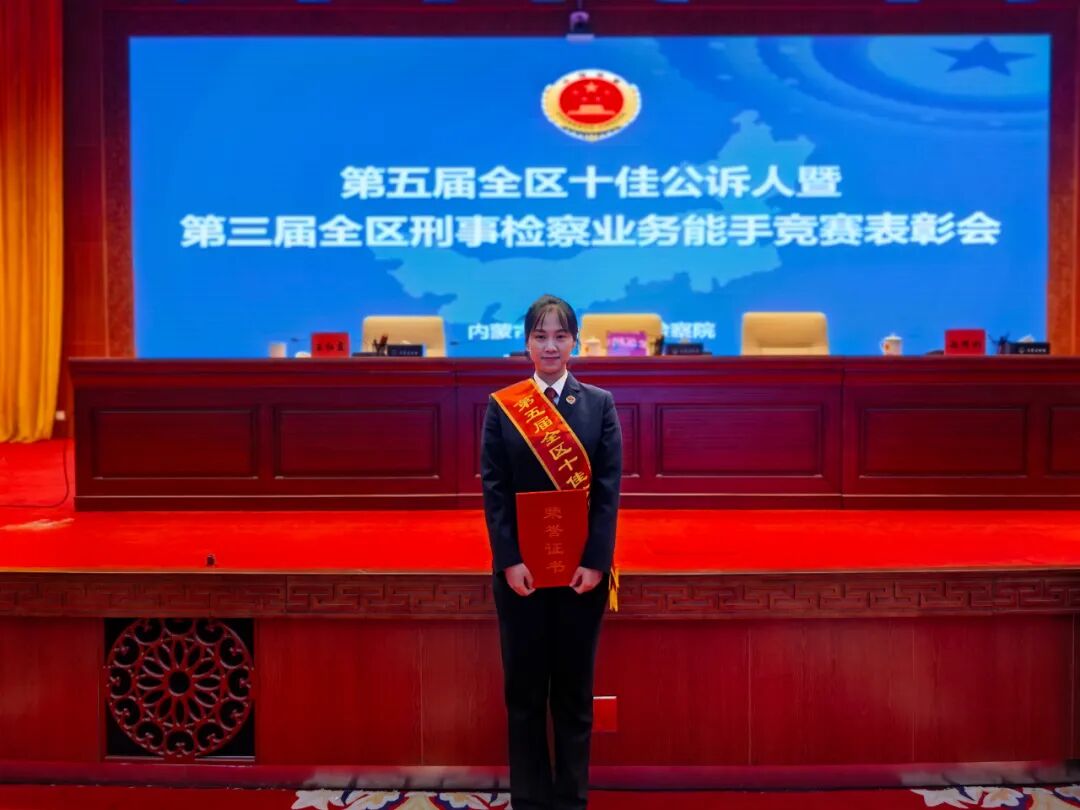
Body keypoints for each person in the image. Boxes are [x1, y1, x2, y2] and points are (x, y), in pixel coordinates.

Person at [480, 294, 622, 810]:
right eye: (540, 336)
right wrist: (509, 560)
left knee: (573, 694)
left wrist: (596, 563)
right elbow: (495, 491)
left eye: (561, 335)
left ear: (575, 342)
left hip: (581, 575)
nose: (550, 346)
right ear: (526, 344)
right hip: (522, 575)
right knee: (523, 696)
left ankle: (571, 800)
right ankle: (530, 800)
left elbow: (607, 492)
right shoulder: (503, 407)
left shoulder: (599, 405)